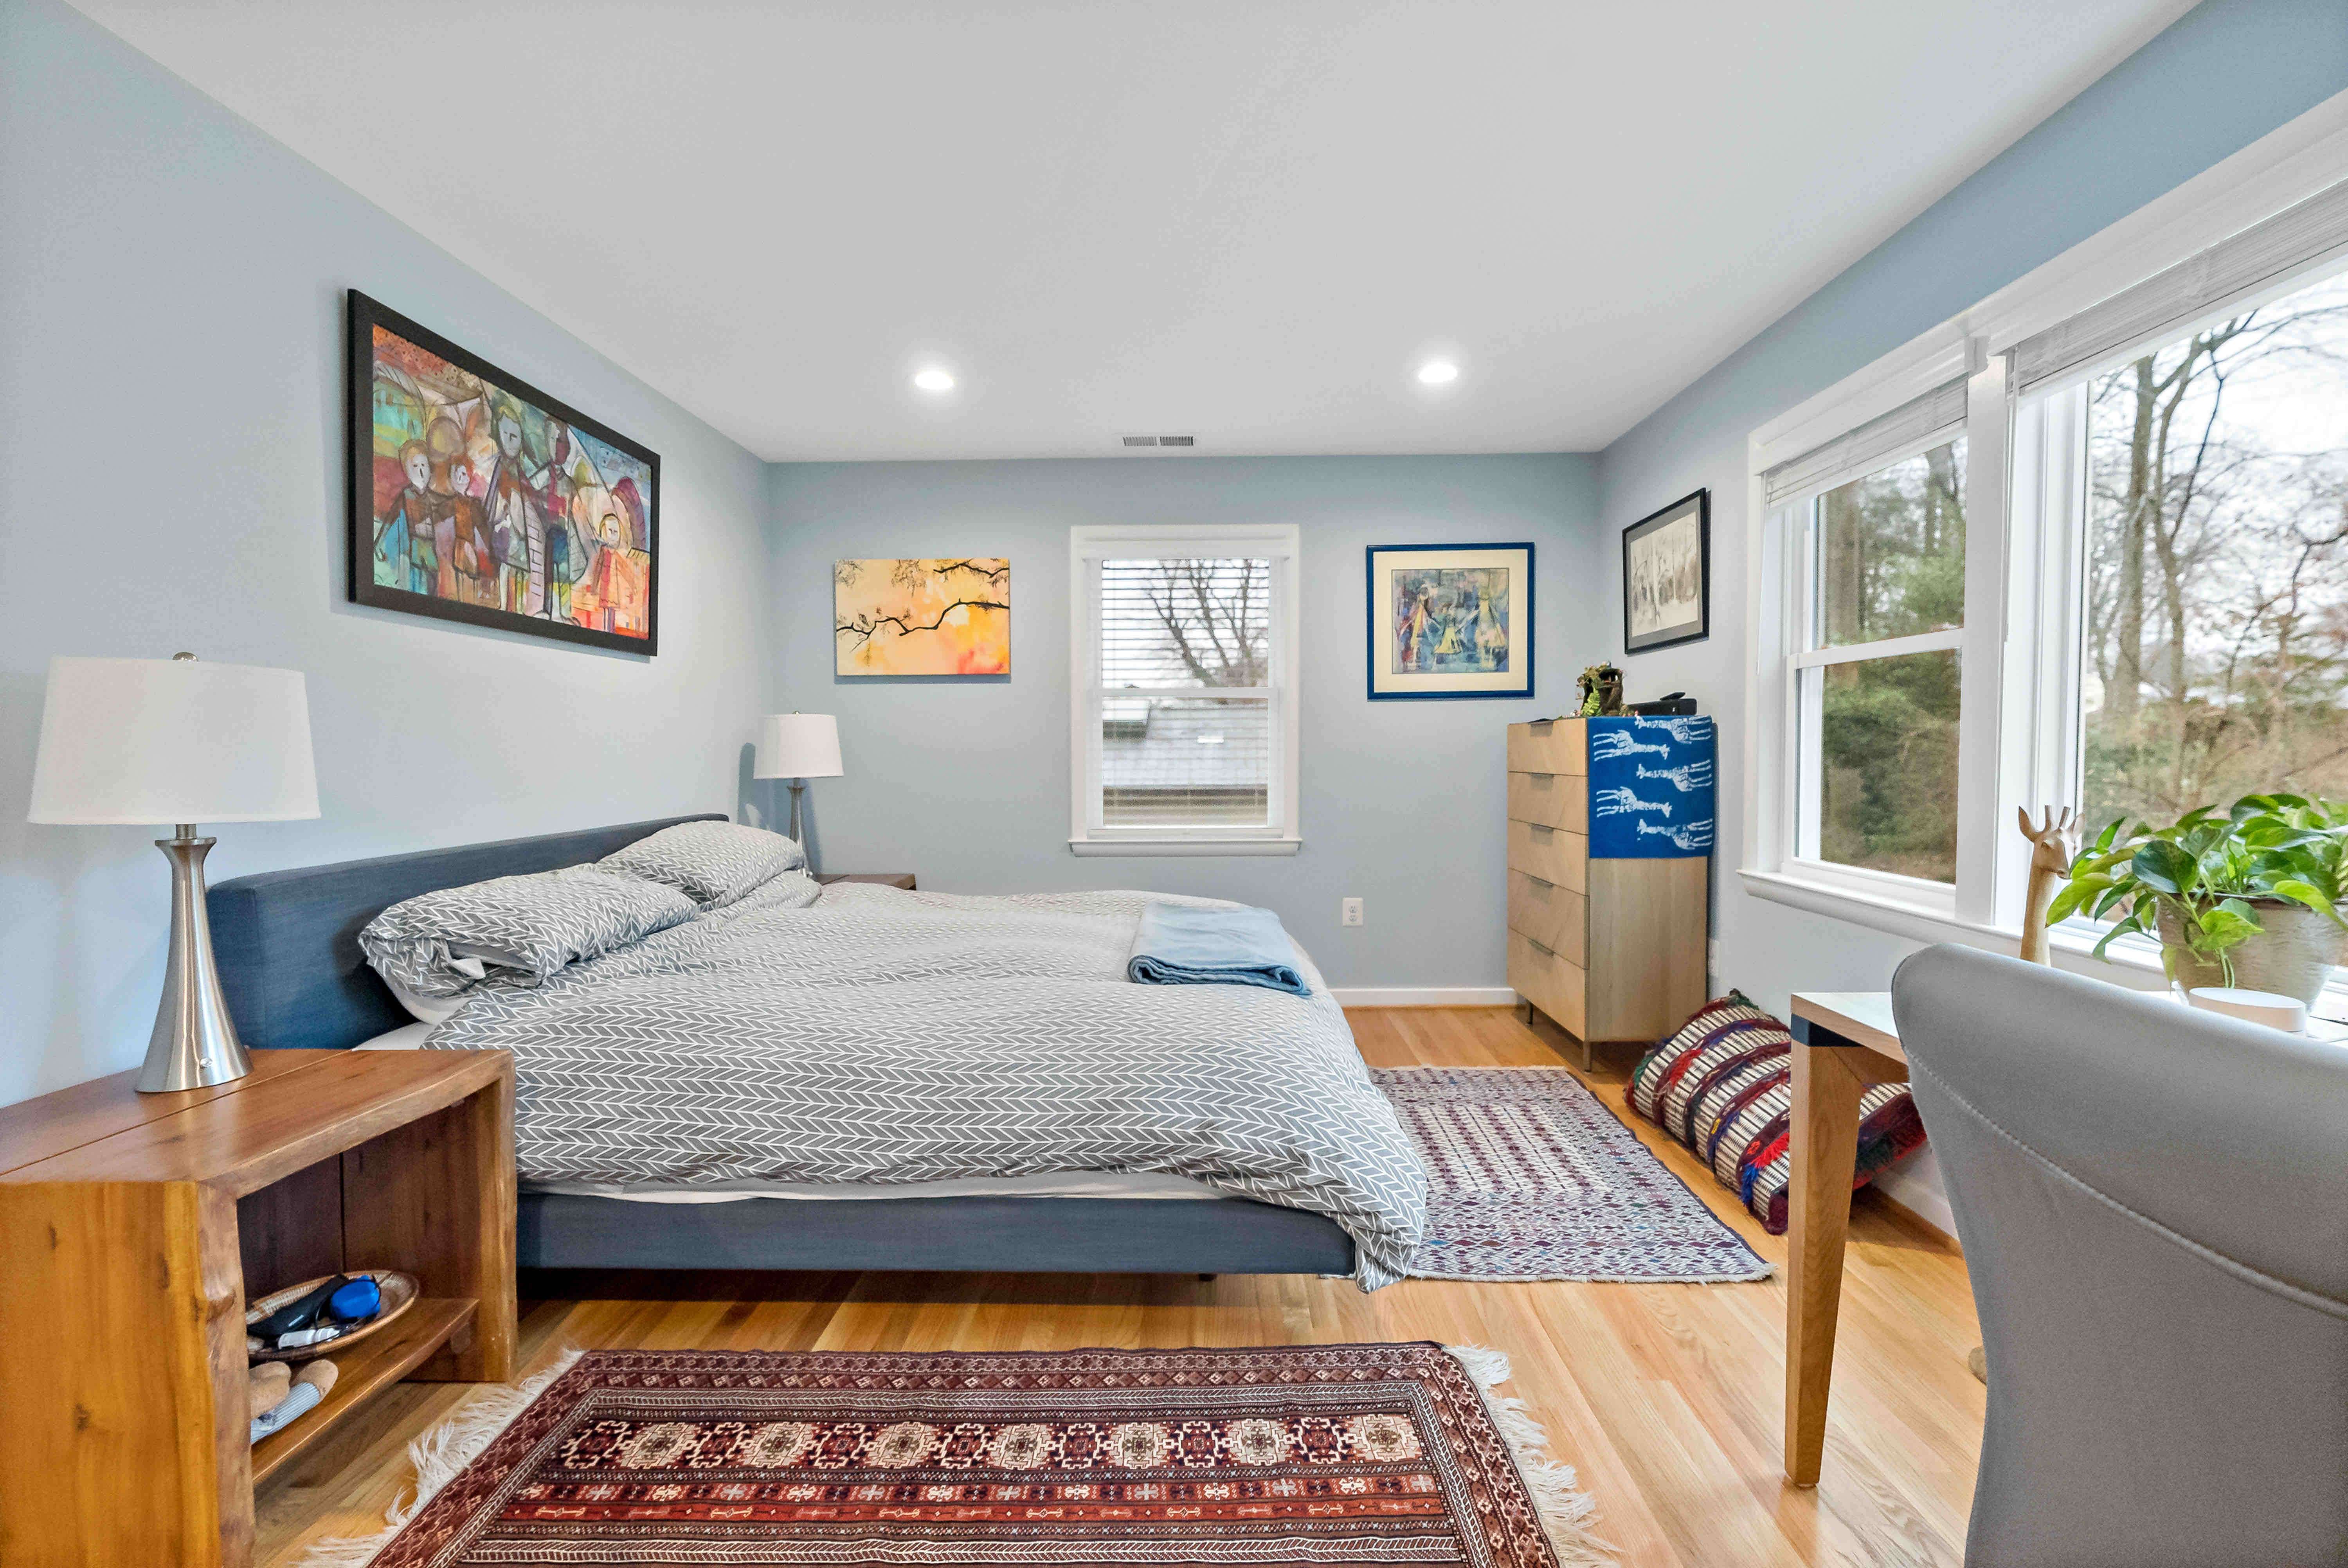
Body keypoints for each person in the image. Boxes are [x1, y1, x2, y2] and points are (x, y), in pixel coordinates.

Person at [373, 441, 432, 591]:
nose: (421, 471)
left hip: (432, 557)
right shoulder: (405, 497)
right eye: (415, 466)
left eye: (424, 466)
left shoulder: (434, 499)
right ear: (407, 470)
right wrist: (381, 545)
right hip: (411, 556)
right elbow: (392, 523)